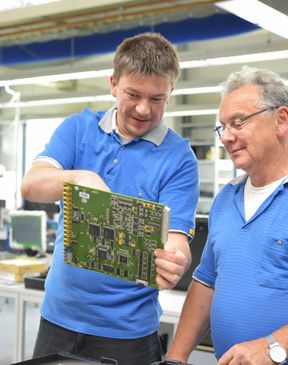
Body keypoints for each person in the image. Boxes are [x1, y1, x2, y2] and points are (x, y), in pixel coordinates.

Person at [167, 65, 288, 365]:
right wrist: (176, 357)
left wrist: (272, 347)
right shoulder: (226, 199)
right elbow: (206, 284)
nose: (226, 137)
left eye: (238, 122)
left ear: (281, 121)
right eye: (222, 127)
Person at [21, 32, 199, 365]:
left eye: (157, 98)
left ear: (170, 93)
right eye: (133, 94)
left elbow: (176, 240)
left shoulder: (179, 159)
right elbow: (31, 185)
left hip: (127, 334)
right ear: (113, 84)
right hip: (57, 319)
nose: (144, 109)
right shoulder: (78, 129)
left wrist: (175, 260)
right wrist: (80, 178)